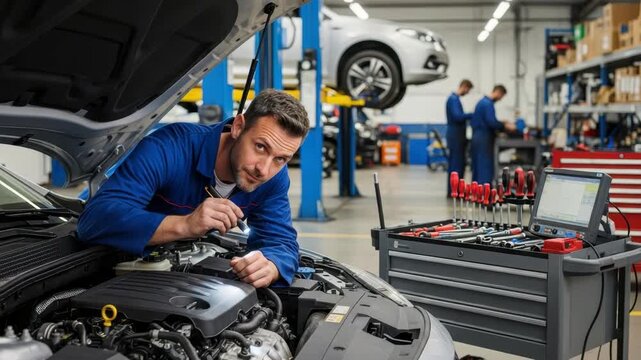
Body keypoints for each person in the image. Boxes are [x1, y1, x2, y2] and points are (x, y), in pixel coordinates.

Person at [77, 89, 309, 288]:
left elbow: (282, 242)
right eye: (260, 146)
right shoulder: (170, 148)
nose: (264, 169)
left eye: (281, 159)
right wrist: (185, 224)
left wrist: (271, 264)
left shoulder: (273, 178)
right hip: (110, 268)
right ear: (238, 127)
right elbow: (95, 220)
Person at [470, 84, 516, 184]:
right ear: (498, 93)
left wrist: (501, 123)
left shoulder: (482, 102)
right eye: (501, 97)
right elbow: (491, 122)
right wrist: (505, 126)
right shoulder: (488, 104)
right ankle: (484, 193)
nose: (500, 99)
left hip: (477, 137)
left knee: (478, 167)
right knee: (485, 167)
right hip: (484, 139)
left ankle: (477, 193)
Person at [445, 79, 474, 193]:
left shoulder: (455, 99)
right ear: (464, 87)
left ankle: (455, 190)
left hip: (457, 135)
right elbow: (457, 116)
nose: (467, 93)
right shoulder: (453, 99)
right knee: (456, 165)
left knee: (457, 164)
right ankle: (454, 191)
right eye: (468, 90)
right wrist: (471, 114)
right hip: (455, 136)